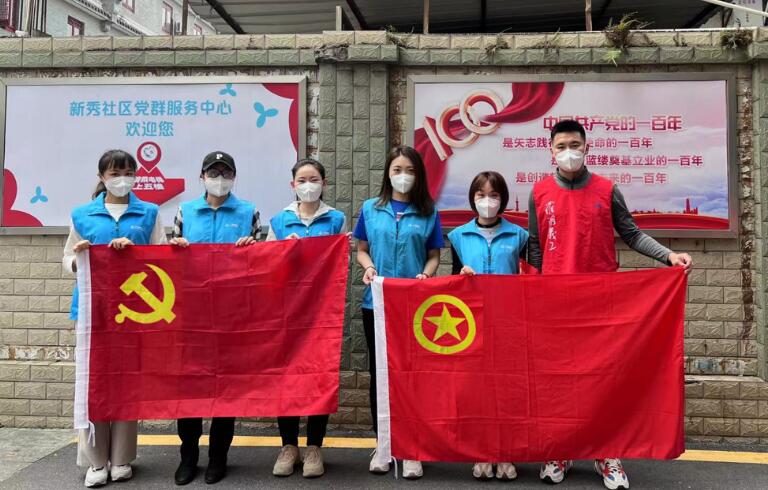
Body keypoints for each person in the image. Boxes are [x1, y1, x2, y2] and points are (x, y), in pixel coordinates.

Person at [528, 119, 692, 490]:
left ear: (587, 147)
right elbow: (535, 246)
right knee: (561, 380)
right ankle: (561, 449)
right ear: (551, 151)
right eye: (561, 146)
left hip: (601, 302)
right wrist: (535, 290)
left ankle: (608, 453)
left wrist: (668, 256)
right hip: (556, 302)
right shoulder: (539, 192)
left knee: (604, 380)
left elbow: (631, 233)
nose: (568, 152)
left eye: (575, 145)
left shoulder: (606, 189)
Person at [63, 149, 167, 488]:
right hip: (92, 311)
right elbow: (67, 259)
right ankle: (95, 461)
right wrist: (79, 258)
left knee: (125, 383)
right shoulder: (82, 214)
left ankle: (121, 458)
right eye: (114, 173)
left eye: (127, 173)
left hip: (134, 311)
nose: (122, 179)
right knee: (92, 382)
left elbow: (162, 256)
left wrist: (137, 252)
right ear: (102, 177)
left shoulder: (149, 212)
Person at [169, 151, 261, 486]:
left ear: (234, 177)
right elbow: (170, 259)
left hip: (232, 314)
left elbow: (262, 263)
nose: (219, 178)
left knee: (227, 387)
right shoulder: (185, 211)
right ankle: (188, 456)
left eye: (225, 172)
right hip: (191, 314)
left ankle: (218, 457)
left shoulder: (248, 211)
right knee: (190, 386)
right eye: (213, 172)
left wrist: (252, 247)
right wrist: (176, 247)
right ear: (202, 176)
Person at [354, 146, 444, 479]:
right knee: (381, 374)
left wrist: (427, 274)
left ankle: (412, 448)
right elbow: (361, 250)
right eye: (397, 169)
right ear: (388, 174)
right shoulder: (370, 208)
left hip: (415, 305)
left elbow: (434, 256)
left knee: (412, 375)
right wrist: (369, 267)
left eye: (410, 170)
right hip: (376, 303)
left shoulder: (428, 211)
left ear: (419, 175)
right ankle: (383, 445)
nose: (403, 176)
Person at [267, 158, 347, 478]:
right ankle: (289, 446)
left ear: (324, 183)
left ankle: (314, 446)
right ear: (293, 185)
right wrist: (281, 251)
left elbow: (339, 264)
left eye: (314, 179)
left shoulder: (336, 218)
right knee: (286, 378)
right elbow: (267, 265)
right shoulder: (279, 220)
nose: (308, 185)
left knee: (319, 376)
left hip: (322, 312)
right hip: (286, 311)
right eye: (302, 180)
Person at [447, 170, 528, 481]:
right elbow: (452, 283)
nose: (487, 201)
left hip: (509, 323)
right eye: (481, 195)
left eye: (494, 195)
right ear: (472, 199)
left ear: (503, 199)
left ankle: (505, 452)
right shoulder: (458, 236)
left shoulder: (519, 236)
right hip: (473, 324)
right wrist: (462, 277)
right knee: (477, 389)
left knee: (507, 389)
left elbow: (531, 277)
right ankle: (482, 451)